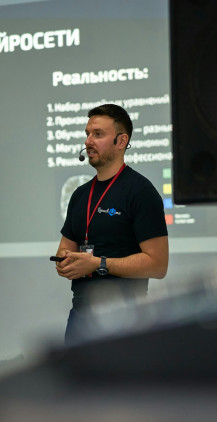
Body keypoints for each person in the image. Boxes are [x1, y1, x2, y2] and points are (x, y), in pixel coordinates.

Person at [55, 104, 169, 345]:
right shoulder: (79, 195)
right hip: (80, 318)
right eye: (87, 134)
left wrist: (98, 264)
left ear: (121, 141)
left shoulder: (141, 192)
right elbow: (65, 249)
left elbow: (158, 265)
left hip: (126, 320)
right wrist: (65, 261)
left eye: (98, 134)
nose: (88, 141)